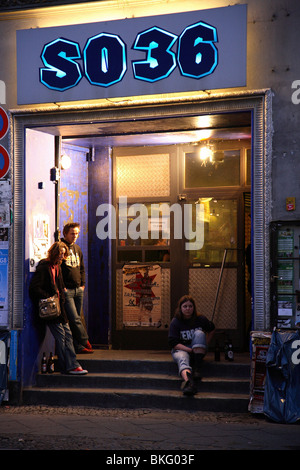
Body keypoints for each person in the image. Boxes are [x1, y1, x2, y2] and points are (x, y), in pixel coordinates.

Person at [29, 241, 88, 375]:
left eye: (64, 254)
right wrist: (49, 296)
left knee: (68, 335)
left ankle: (68, 365)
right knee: (62, 337)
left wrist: (61, 296)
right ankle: (71, 365)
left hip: (59, 308)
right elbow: (34, 288)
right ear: (54, 253)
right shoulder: (44, 267)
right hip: (51, 309)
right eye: (60, 254)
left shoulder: (58, 266)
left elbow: (60, 286)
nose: (62, 257)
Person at [168, 295, 215, 396]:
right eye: (185, 306)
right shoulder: (175, 322)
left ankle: (197, 369)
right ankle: (189, 383)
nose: (188, 309)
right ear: (180, 308)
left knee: (199, 333)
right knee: (182, 359)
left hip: (198, 349)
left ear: (194, 308)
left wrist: (205, 344)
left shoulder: (201, 319)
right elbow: (174, 344)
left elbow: (212, 329)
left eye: (190, 306)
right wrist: (190, 350)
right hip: (182, 349)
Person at [61, 222, 93, 354]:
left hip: (78, 289)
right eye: (72, 233)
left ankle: (78, 346)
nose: (75, 236)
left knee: (77, 318)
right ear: (65, 234)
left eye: (77, 233)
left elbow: (82, 268)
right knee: (73, 318)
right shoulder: (61, 248)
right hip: (67, 291)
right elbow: (58, 271)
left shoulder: (77, 249)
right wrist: (63, 287)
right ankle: (85, 340)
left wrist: (83, 284)